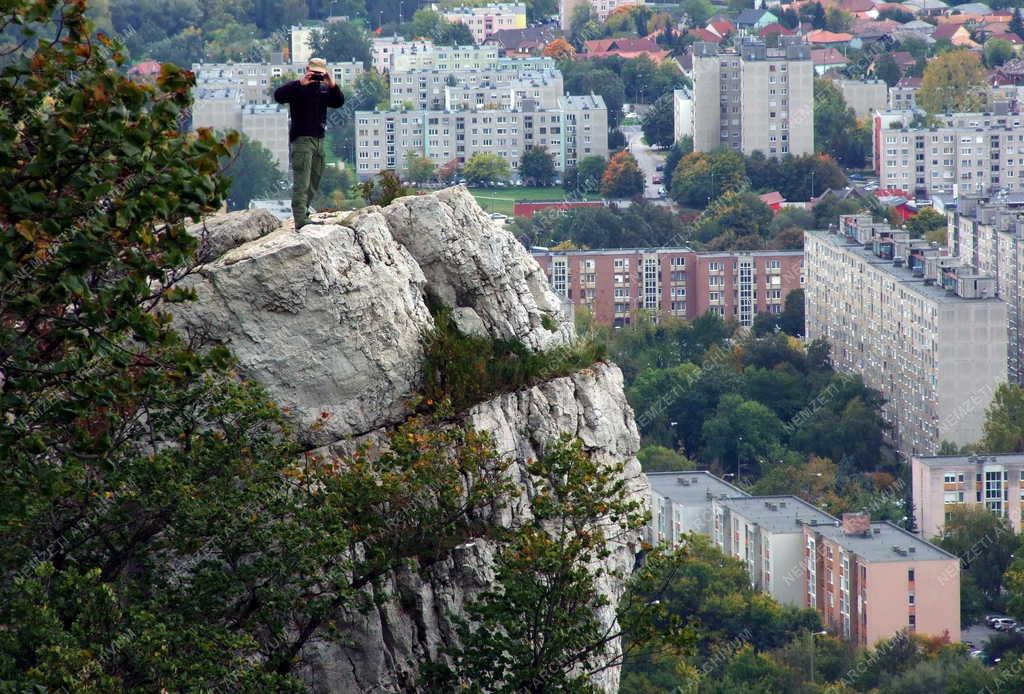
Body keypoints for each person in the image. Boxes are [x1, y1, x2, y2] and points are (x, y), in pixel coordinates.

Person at [273, 57, 345, 229]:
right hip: (302, 141)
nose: (316, 77)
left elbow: (339, 102)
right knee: (302, 181)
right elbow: (278, 96)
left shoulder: (324, 90)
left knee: (314, 179)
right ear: (307, 70)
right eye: (314, 73)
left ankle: (304, 212)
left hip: (319, 140)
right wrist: (299, 83)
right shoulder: (298, 88)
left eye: (320, 74)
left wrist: (332, 85)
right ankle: (300, 219)